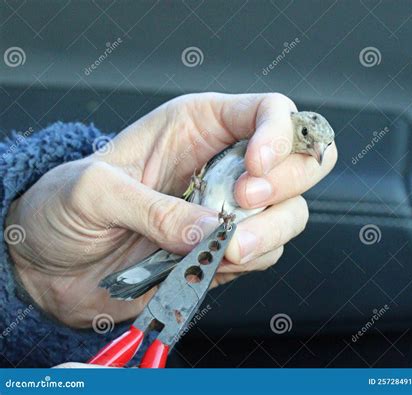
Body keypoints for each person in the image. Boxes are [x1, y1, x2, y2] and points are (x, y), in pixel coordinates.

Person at [0, 92, 337, 367]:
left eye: (322, 147)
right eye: (309, 136)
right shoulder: (251, 145)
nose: (315, 149)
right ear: (295, 127)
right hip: (194, 220)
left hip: (191, 246)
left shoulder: (278, 172)